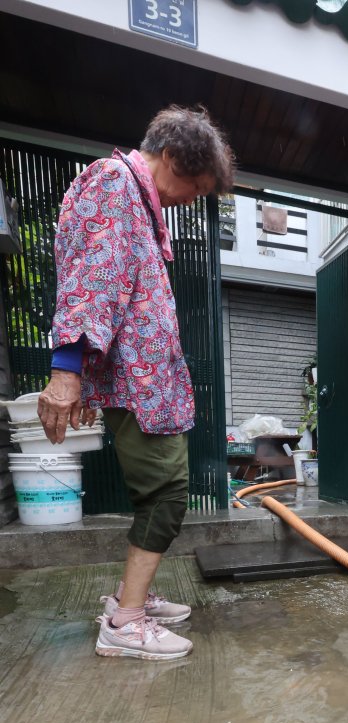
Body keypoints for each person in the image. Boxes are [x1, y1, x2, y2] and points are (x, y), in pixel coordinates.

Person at [38, 105, 234, 661]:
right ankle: (124, 623)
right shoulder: (115, 183)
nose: (188, 199)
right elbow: (92, 279)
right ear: (170, 157)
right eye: (191, 187)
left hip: (145, 383)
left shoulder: (133, 198)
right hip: (135, 383)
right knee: (167, 495)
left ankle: (132, 599)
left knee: (159, 493)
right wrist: (65, 373)